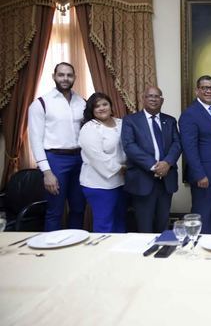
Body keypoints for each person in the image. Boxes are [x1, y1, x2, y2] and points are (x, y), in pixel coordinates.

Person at [28, 62, 86, 231]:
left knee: (78, 208)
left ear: (74, 77)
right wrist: (46, 172)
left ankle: (74, 249)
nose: (65, 78)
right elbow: (35, 140)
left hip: (80, 160)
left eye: (69, 75)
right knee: (55, 210)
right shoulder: (40, 104)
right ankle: (51, 254)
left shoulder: (82, 102)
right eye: (61, 75)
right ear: (54, 76)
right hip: (55, 161)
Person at [121, 86, 182, 233]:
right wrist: (154, 166)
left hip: (166, 180)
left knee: (163, 222)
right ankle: (145, 255)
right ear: (143, 98)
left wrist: (167, 163)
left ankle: (163, 251)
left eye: (157, 96)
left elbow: (177, 143)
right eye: (150, 96)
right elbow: (129, 146)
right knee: (144, 225)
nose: (153, 99)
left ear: (162, 100)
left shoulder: (170, 120)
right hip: (143, 179)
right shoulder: (130, 121)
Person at [179, 76, 211, 234]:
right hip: (204, 177)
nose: (208, 91)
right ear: (197, 90)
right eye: (204, 88)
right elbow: (189, 148)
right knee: (202, 217)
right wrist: (200, 174)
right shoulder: (190, 114)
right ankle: (200, 251)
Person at [78, 93, 126, 233]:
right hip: (99, 185)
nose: (101, 108)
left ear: (111, 106)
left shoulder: (121, 123)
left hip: (121, 182)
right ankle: (101, 254)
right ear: (92, 110)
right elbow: (96, 157)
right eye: (97, 106)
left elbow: (129, 147)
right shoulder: (90, 128)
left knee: (120, 221)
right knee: (104, 225)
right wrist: (120, 168)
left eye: (104, 104)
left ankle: (118, 254)